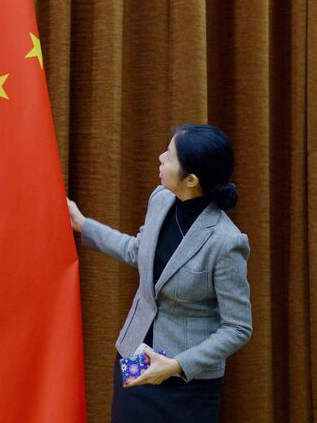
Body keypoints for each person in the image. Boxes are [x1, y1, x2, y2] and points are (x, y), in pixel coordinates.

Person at [67, 124, 253, 423]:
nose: (160, 158)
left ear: (191, 179)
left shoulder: (226, 241)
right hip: (136, 360)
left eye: (170, 156)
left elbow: (238, 328)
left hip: (188, 384)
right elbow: (136, 251)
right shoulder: (161, 199)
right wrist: (83, 225)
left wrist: (177, 364)